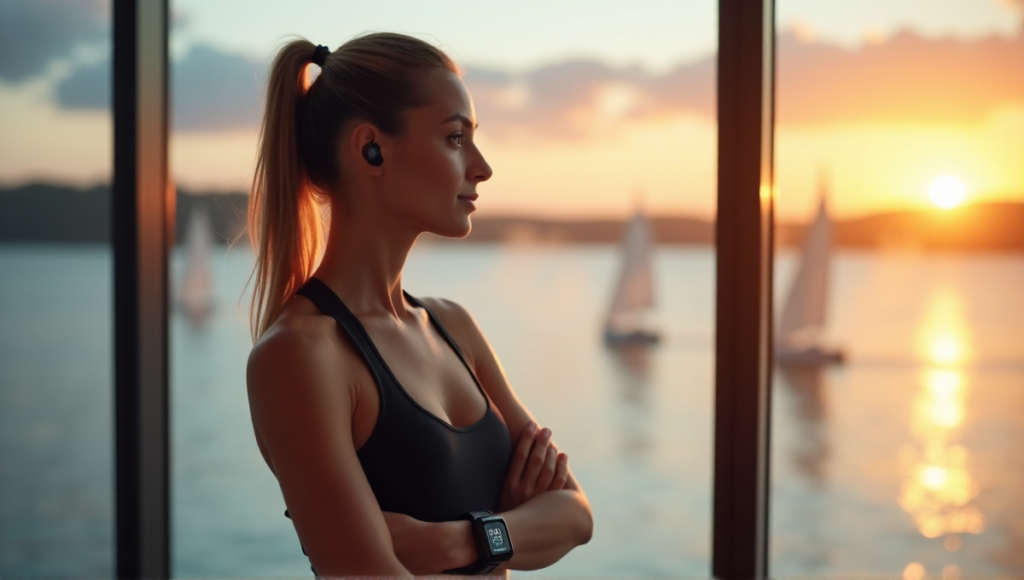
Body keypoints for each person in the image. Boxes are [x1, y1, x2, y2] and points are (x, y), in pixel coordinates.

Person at [244, 33, 593, 577]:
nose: (482, 167)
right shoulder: (298, 356)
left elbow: (575, 514)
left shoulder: (452, 324)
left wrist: (461, 540)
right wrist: (513, 527)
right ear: (371, 150)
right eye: (456, 138)